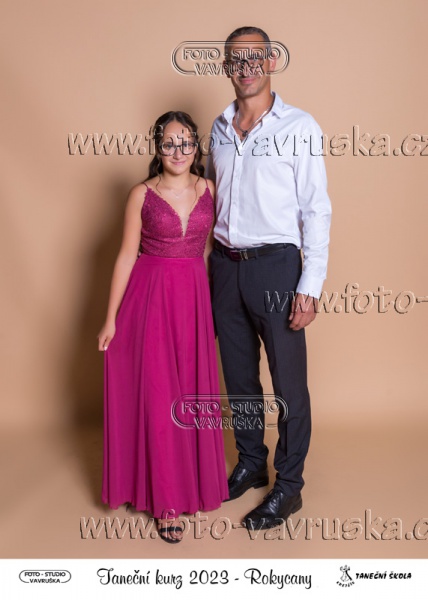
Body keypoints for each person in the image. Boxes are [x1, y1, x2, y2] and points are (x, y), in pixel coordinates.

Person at [206, 26, 332, 529]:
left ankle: (289, 486)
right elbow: (209, 199)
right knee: (239, 380)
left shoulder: (300, 125)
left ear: (271, 61)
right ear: (226, 67)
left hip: (277, 267)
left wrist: (310, 286)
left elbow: (316, 209)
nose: (247, 67)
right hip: (224, 266)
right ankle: (251, 463)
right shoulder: (218, 128)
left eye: (255, 57)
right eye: (236, 60)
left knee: (288, 385)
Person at [98, 111, 229, 543]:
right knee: (160, 398)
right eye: (169, 143)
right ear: (158, 148)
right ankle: (166, 501)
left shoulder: (210, 189)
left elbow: (212, 253)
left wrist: (215, 306)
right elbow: (125, 256)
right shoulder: (141, 194)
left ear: (196, 146)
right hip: (150, 300)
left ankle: (193, 485)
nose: (178, 151)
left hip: (193, 300)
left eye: (186, 142)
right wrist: (110, 318)